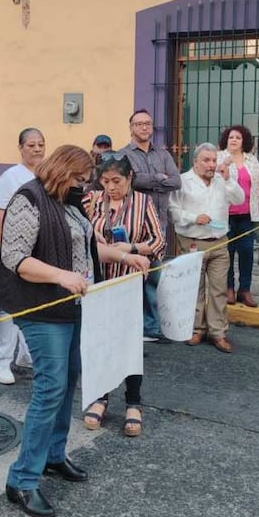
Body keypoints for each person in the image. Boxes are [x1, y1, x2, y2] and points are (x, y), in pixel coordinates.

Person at [0, 145, 148, 517]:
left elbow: (87, 247)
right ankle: (22, 479)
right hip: (42, 310)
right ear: (63, 171)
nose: (85, 186)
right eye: (80, 179)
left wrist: (125, 256)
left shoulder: (68, 203)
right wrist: (61, 276)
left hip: (75, 307)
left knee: (67, 383)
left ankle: (53, 455)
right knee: (50, 388)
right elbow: (14, 258)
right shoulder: (28, 199)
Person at [81, 151, 165, 437]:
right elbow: (77, 229)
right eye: (105, 181)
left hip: (129, 283)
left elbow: (158, 242)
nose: (110, 187)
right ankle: (100, 397)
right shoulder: (92, 201)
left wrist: (131, 248)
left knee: (129, 343)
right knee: (100, 341)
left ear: (130, 178)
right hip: (98, 282)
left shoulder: (143, 202)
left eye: (116, 180)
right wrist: (93, 236)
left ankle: (133, 402)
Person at [169, 143, 244, 353]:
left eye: (213, 160)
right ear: (195, 162)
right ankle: (197, 329)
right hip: (192, 242)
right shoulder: (183, 181)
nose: (211, 165)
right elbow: (172, 211)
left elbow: (239, 199)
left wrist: (228, 179)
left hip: (219, 243)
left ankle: (218, 333)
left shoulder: (222, 180)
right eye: (206, 160)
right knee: (195, 289)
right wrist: (194, 218)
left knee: (219, 290)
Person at [0, 128, 45, 385]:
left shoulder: (46, 175)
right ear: (21, 148)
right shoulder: (11, 177)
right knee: (7, 308)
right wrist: (5, 249)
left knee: (31, 304)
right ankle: (0, 361)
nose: (37, 149)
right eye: (31, 145)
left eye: (41, 144)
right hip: (13, 252)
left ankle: (26, 355)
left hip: (37, 254)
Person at [120, 109, 181, 339]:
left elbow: (176, 181)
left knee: (153, 275)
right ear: (131, 128)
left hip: (159, 224)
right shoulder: (124, 155)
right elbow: (131, 181)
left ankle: (151, 327)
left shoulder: (163, 154)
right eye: (139, 124)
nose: (144, 127)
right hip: (134, 223)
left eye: (147, 123)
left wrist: (148, 181)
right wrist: (158, 178)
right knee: (132, 275)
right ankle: (133, 324)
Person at [216, 125, 259, 308]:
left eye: (238, 137)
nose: (234, 140)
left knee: (246, 253)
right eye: (231, 137)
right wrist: (223, 166)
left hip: (247, 215)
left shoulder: (251, 160)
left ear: (244, 141)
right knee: (226, 253)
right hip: (225, 215)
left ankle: (244, 290)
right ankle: (228, 288)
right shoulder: (219, 157)